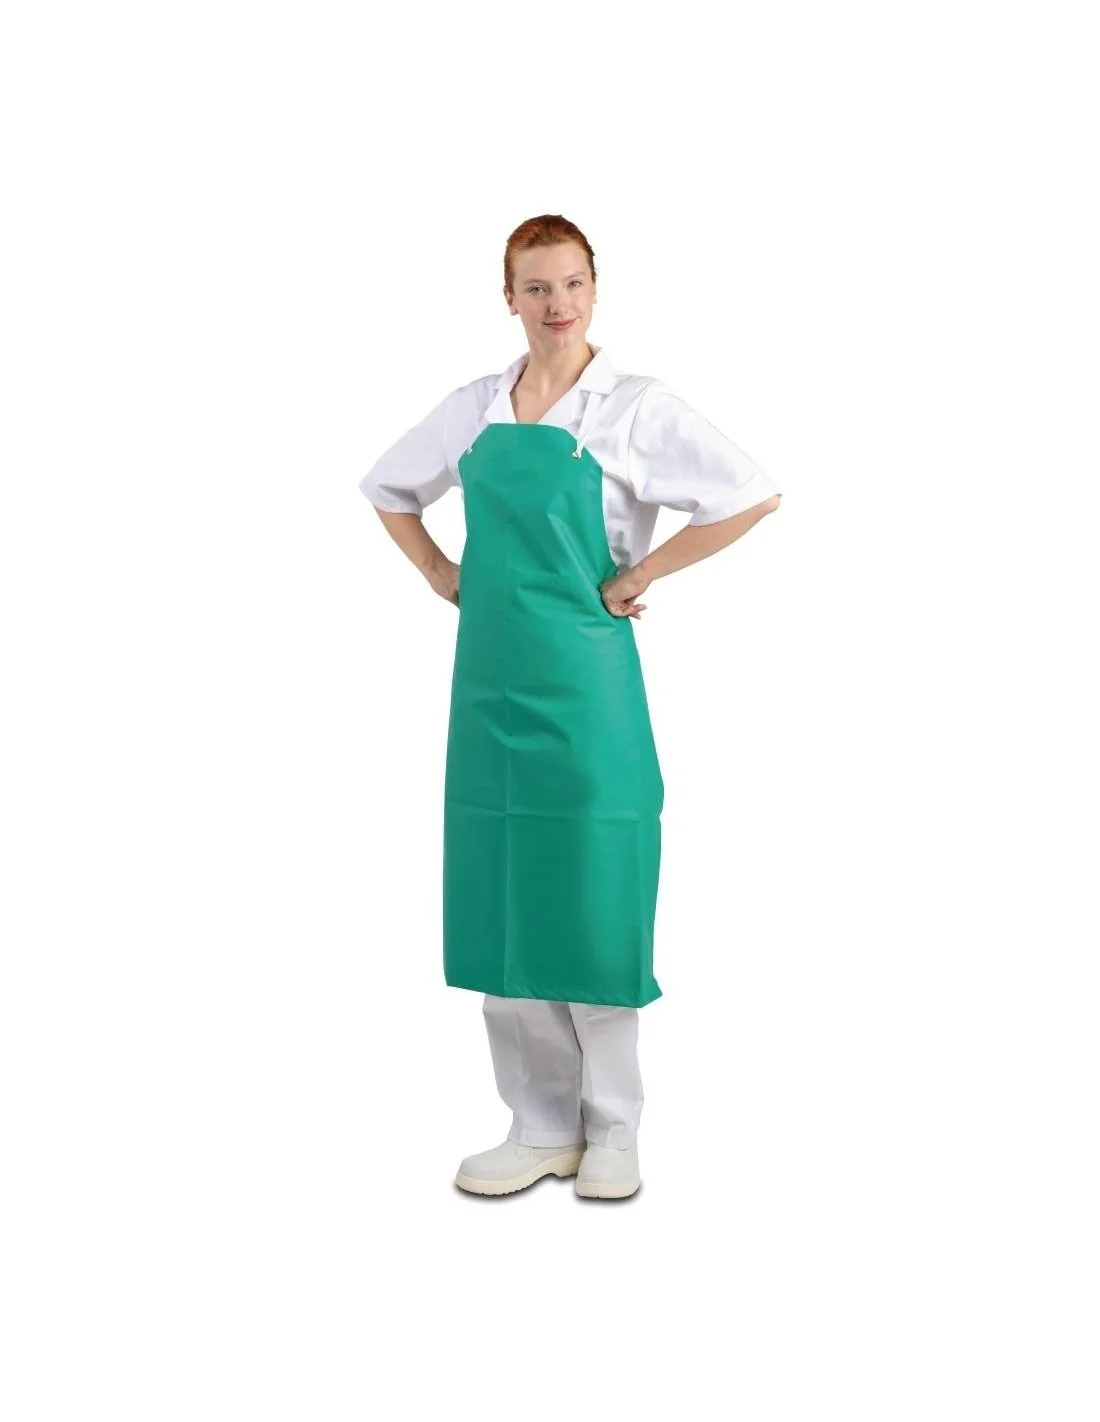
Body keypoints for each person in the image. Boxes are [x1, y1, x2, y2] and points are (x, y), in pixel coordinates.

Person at [359, 214, 781, 1200]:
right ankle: (540, 1124)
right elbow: (387, 487)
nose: (558, 305)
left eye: (573, 284)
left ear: (596, 287)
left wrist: (642, 572)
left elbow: (749, 494)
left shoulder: (632, 407)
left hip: (589, 687)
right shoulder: (476, 406)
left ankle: (614, 1129)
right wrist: (438, 573)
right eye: (537, 287)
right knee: (503, 893)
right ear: (507, 297)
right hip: (488, 683)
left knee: (592, 893)